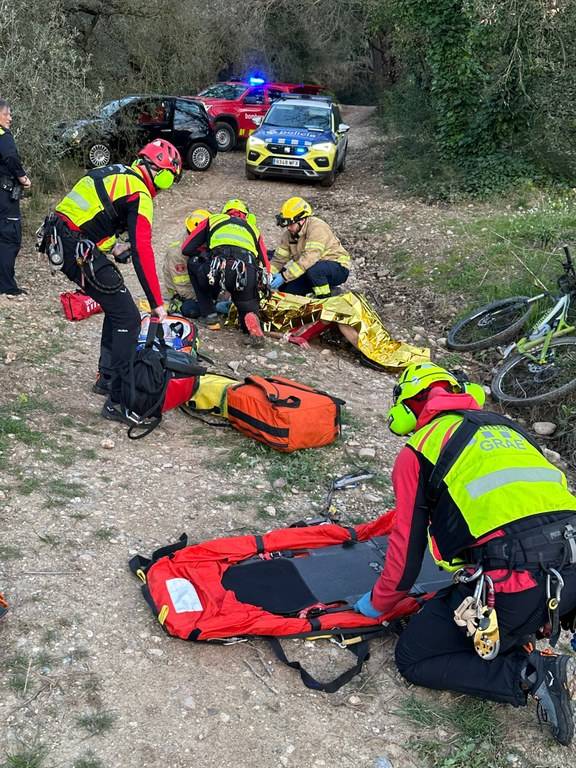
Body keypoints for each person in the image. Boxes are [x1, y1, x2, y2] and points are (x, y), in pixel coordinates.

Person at [354, 362, 576, 745]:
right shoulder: (510, 430)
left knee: (414, 657)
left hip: (516, 585)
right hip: (572, 568)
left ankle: (531, 673)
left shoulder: (418, 450)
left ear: (407, 407)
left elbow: (406, 551)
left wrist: (377, 603)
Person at [39, 138, 182, 424]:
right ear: (157, 170)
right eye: (169, 179)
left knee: (117, 305)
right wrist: (157, 303)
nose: (165, 187)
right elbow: (143, 250)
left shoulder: (118, 174)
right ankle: (118, 400)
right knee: (128, 317)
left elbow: (94, 214)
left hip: (63, 238)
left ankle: (106, 377)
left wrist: (114, 245)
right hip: (75, 245)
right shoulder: (140, 192)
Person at [182, 198, 269, 344]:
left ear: (225, 212)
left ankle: (210, 315)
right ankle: (249, 319)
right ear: (245, 215)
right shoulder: (253, 229)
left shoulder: (213, 220)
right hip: (245, 272)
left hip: (218, 268)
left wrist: (206, 253)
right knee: (246, 301)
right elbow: (266, 263)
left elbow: (187, 248)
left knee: (193, 264)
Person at [270, 197, 350, 298]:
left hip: (337, 267)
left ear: (302, 220)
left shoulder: (317, 228)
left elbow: (309, 258)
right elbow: (279, 259)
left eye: (291, 224)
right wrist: (269, 274)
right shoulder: (289, 234)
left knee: (315, 271)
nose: (288, 228)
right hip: (310, 269)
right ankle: (311, 296)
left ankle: (326, 299)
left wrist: (284, 276)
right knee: (289, 290)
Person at [0, 99, 31, 297]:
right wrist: (23, 177)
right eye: (8, 114)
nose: (10, 118)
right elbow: (10, 157)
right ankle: (7, 286)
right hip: (4, 196)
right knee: (10, 238)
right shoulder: (3, 135)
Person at [163, 209, 210, 318]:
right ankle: (177, 306)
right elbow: (183, 287)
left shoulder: (206, 242)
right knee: (191, 309)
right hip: (184, 293)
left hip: (201, 284)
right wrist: (207, 300)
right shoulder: (177, 254)